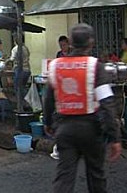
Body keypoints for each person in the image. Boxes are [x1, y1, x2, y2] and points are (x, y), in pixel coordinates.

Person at [43, 23, 121, 193]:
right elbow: (107, 103)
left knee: (64, 178)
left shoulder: (55, 65)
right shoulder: (95, 66)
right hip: (91, 130)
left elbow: (48, 99)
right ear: (91, 43)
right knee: (96, 177)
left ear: (70, 42)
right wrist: (114, 136)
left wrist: (48, 123)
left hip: (64, 129)